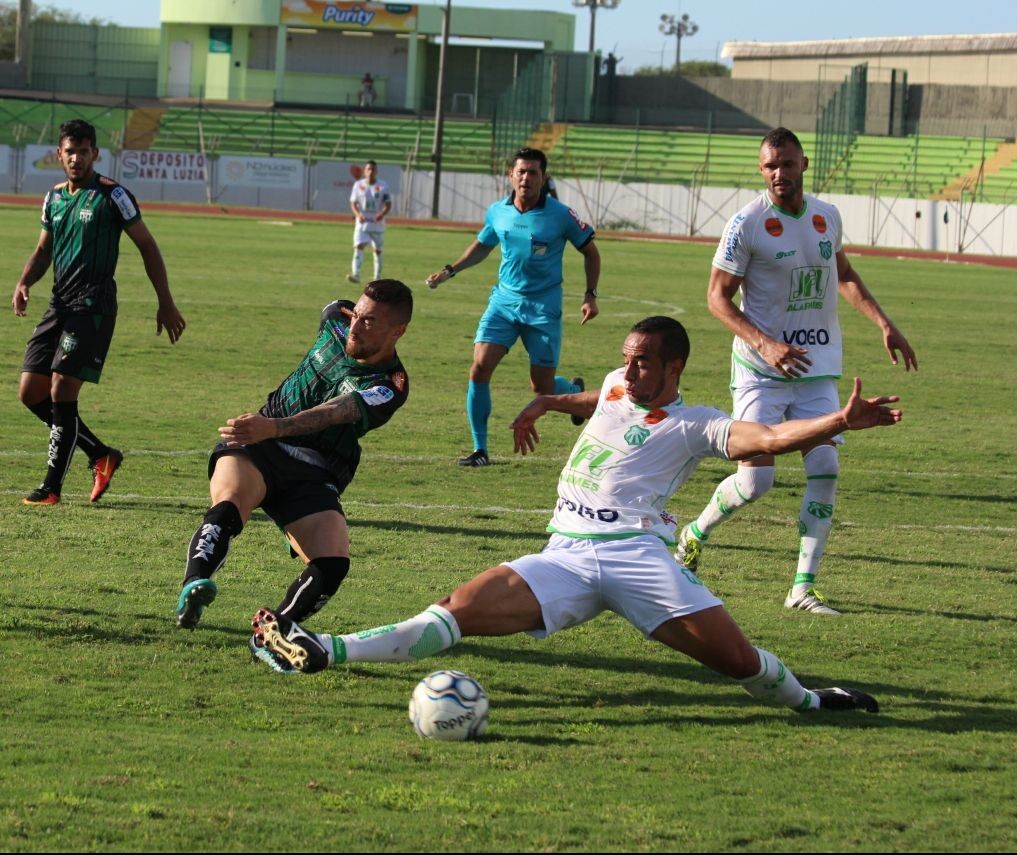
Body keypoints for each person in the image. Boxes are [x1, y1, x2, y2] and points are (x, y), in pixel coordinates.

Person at [252, 316, 902, 718]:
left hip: (639, 559)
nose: (629, 366)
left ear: (674, 366)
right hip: (564, 555)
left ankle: (811, 701)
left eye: (643, 358)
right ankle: (322, 648)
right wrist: (546, 400)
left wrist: (836, 422)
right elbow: (597, 395)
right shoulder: (620, 385)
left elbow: (764, 441)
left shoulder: (695, 422)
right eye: (626, 355)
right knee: (454, 608)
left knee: (737, 662)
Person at [675, 127, 918, 615]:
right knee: (755, 483)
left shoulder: (827, 217)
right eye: (770, 166)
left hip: (816, 370)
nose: (779, 173)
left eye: (786, 163)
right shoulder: (746, 223)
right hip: (760, 371)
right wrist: (766, 345)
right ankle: (694, 534)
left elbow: (843, 275)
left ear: (804, 164)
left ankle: (801, 588)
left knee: (826, 466)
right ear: (761, 171)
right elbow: (716, 297)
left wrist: (884, 323)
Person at [176, 280, 412, 671]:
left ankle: (274, 632)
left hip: (313, 469)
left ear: (397, 331)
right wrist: (269, 429)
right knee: (230, 504)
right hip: (259, 446)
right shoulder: (337, 318)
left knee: (333, 561)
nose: (356, 327)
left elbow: (336, 411)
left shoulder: (389, 386)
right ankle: (194, 584)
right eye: (357, 316)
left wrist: (277, 427)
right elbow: (336, 312)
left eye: (370, 323)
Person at [11, 118, 186, 506]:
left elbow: (148, 246)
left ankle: (51, 487)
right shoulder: (54, 198)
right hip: (59, 303)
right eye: (69, 151)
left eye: (83, 151)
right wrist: (24, 282)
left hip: (93, 307)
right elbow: (43, 251)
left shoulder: (113, 195)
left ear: (95, 153)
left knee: (60, 389)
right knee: (30, 392)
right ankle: (100, 454)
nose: (76, 158)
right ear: (60, 154)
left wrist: (165, 301)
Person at [425, 147, 601, 467]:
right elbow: (483, 245)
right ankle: (480, 450)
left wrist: (590, 295)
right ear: (511, 175)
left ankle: (573, 391)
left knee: (542, 388)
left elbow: (592, 253)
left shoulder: (561, 215)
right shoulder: (497, 211)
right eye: (521, 171)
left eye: (533, 172)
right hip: (503, 303)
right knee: (479, 368)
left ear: (543, 178)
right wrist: (450, 270)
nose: (526, 178)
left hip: (543, 309)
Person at [348, 160, 392, 285]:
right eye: (368, 169)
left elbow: (388, 204)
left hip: (377, 225)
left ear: (376, 171)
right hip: (362, 224)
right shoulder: (358, 185)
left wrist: (382, 214)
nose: (371, 171)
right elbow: (353, 203)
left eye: (373, 169)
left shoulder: (383, 186)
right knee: (358, 246)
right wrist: (358, 214)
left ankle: (377, 277)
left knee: (377, 251)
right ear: (364, 171)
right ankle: (356, 274)